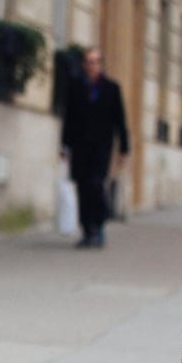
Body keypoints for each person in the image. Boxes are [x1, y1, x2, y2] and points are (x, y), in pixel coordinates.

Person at [60, 46, 129, 248]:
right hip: (79, 147)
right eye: (89, 61)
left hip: (102, 147)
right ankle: (87, 229)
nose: (92, 65)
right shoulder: (75, 87)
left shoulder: (111, 88)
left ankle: (98, 226)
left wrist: (124, 148)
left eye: (95, 61)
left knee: (96, 184)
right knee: (82, 186)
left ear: (101, 64)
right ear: (84, 64)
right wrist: (64, 146)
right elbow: (69, 118)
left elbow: (120, 120)